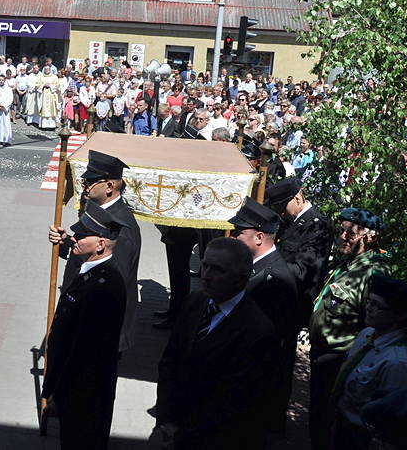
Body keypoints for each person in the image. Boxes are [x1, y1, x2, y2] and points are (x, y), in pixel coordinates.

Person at [154, 238, 279, 450]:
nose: (206, 275)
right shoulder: (194, 302)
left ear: (241, 278)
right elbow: (169, 362)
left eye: (218, 270)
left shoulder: (258, 332)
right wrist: (165, 419)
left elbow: (236, 403)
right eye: (205, 265)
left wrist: (183, 438)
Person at [41, 201, 126, 450]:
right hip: (76, 389)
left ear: (100, 244)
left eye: (81, 236)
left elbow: (84, 349)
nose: (74, 238)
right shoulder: (93, 271)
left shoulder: (104, 285)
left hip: (83, 391)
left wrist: (59, 392)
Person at [308, 207, 390, 450]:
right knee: (317, 420)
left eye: (351, 233)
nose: (343, 237)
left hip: (340, 362)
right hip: (322, 355)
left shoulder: (373, 272)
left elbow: (372, 324)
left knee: (329, 427)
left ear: (371, 238)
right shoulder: (346, 263)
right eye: (342, 230)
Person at [48, 150, 142, 353]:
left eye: (90, 182)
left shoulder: (121, 228)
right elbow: (90, 252)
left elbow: (112, 284)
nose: (85, 186)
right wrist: (65, 242)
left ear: (109, 186)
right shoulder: (100, 210)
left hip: (98, 330)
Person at [229, 197, 299, 432]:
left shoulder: (275, 280)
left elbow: (267, 343)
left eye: (239, 232)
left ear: (259, 237)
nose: (233, 237)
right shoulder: (257, 268)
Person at [331, 275, 407, 450]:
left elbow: (390, 417)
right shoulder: (366, 334)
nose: (369, 308)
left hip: (361, 439)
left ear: (399, 316)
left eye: (377, 305)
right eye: (369, 301)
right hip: (341, 423)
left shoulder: (398, 363)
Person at [264, 177, 333, 324]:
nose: (280, 212)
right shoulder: (290, 221)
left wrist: (267, 266)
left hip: (294, 304)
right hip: (277, 297)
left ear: (296, 199)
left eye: (282, 206)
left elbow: (304, 270)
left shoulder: (317, 227)